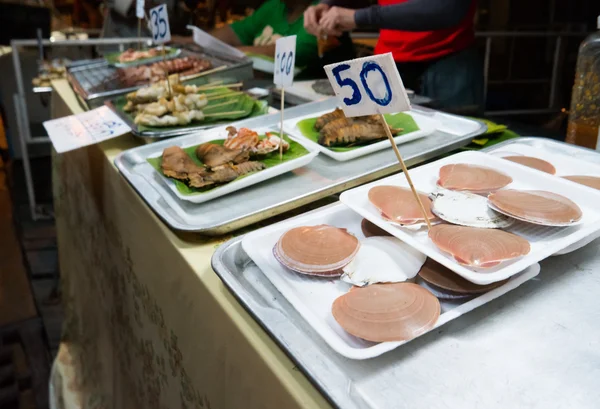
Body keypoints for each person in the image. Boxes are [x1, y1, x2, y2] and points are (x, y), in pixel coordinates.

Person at [304, 0, 483, 113]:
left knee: (456, 153)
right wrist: (328, 4)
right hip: (388, 63)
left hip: (448, 61)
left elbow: (448, 7)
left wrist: (361, 17)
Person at [210, 0, 319, 68]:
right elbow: (235, 32)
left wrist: (223, 52)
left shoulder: (320, 12)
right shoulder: (275, 5)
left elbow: (292, 50)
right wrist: (195, 40)